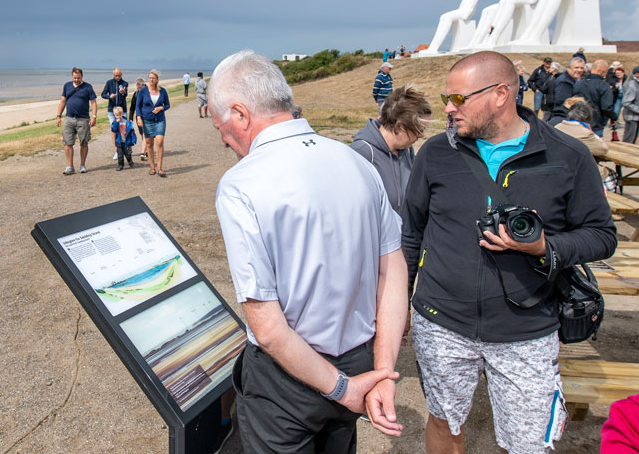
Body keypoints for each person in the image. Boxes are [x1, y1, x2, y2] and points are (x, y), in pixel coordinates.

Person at [402, 51, 616, 454]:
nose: (448, 109)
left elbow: (602, 236)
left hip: (527, 329)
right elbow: (411, 234)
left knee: (528, 445)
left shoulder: (568, 156)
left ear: (501, 94)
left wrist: (544, 247)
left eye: (459, 99)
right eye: (448, 98)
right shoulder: (435, 153)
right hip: (441, 321)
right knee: (445, 421)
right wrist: (399, 307)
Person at [211, 50, 407, 453]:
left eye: (222, 130)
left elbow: (267, 327)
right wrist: (381, 371)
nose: (225, 141)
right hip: (358, 358)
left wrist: (342, 389)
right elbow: (393, 271)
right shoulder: (356, 163)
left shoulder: (241, 183)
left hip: (289, 379)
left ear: (240, 114)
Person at [352, 86, 432, 214]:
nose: (421, 136)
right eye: (419, 130)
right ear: (399, 126)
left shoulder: (407, 150)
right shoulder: (362, 153)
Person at [55, 67, 97, 175]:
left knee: (84, 142)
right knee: (67, 143)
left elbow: (93, 102)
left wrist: (94, 117)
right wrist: (58, 116)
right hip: (69, 118)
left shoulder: (88, 87)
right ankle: (70, 166)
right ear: (72, 76)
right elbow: (63, 101)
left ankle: (82, 165)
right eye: (74, 78)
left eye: (78, 78)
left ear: (82, 76)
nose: (76, 80)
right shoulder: (67, 86)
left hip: (83, 119)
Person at [135, 69, 170, 177]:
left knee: (159, 142)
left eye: (153, 78)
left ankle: (160, 168)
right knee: (149, 143)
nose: (151, 79)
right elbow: (138, 105)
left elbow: (168, 105)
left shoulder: (163, 91)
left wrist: (161, 108)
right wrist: (139, 118)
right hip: (147, 120)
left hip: (160, 120)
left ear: (157, 80)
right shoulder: (143, 91)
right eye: (149, 78)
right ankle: (152, 167)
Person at [573, 59, 615, 137]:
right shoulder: (603, 85)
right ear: (604, 71)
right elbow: (606, 106)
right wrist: (614, 117)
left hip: (579, 120)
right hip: (596, 122)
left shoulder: (579, 83)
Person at [101, 67, 130, 159]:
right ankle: (117, 151)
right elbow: (103, 94)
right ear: (113, 75)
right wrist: (110, 96)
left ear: (121, 75)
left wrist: (122, 93)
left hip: (122, 110)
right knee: (114, 130)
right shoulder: (109, 82)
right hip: (112, 110)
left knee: (123, 130)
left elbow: (126, 94)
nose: (118, 77)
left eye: (119, 75)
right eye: (116, 75)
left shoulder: (124, 83)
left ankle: (124, 149)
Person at [549, 56, 586, 122]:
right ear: (568, 68)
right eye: (576, 67)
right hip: (564, 119)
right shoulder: (564, 82)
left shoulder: (574, 80)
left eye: (581, 68)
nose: (579, 70)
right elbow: (562, 103)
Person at [109, 106, 136, 171]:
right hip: (119, 142)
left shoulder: (126, 122)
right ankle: (120, 165)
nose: (118, 116)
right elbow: (114, 130)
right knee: (120, 155)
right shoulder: (115, 122)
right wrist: (116, 122)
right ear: (114, 115)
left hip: (126, 141)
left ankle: (130, 162)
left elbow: (131, 131)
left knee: (128, 154)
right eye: (116, 115)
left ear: (122, 114)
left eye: (119, 115)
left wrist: (133, 139)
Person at [128, 77, 147, 161]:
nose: (139, 89)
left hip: (147, 116)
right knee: (142, 134)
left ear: (144, 85)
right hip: (138, 117)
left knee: (145, 134)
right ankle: (146, 150)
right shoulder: (135, 94)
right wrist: (130, 118)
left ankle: (143, 152)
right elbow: (132, 107)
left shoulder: (148, 92)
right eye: (138, 87)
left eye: (140, 87)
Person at [620, 66, 639, 144]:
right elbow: (626, 102)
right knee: (628, 141)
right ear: (637, 74)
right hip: (632, 118)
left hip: (636, 117)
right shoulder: (632, 85)